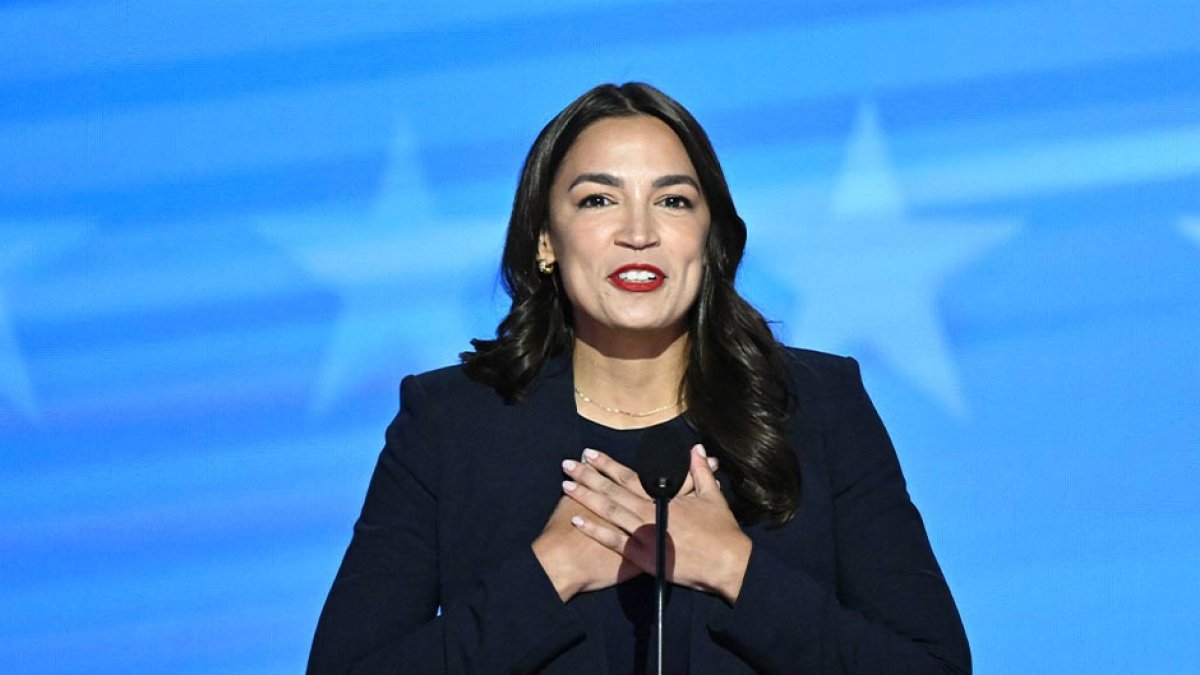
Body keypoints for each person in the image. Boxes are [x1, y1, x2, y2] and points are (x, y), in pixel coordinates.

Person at [307, 82, 970, 675]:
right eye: (598, 198)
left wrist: (734, 569)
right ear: (544, 239)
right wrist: (550, 573)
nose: (638, 232)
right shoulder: (451, 423)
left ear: (709, 239)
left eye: (673, 201)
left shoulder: (817, 406)